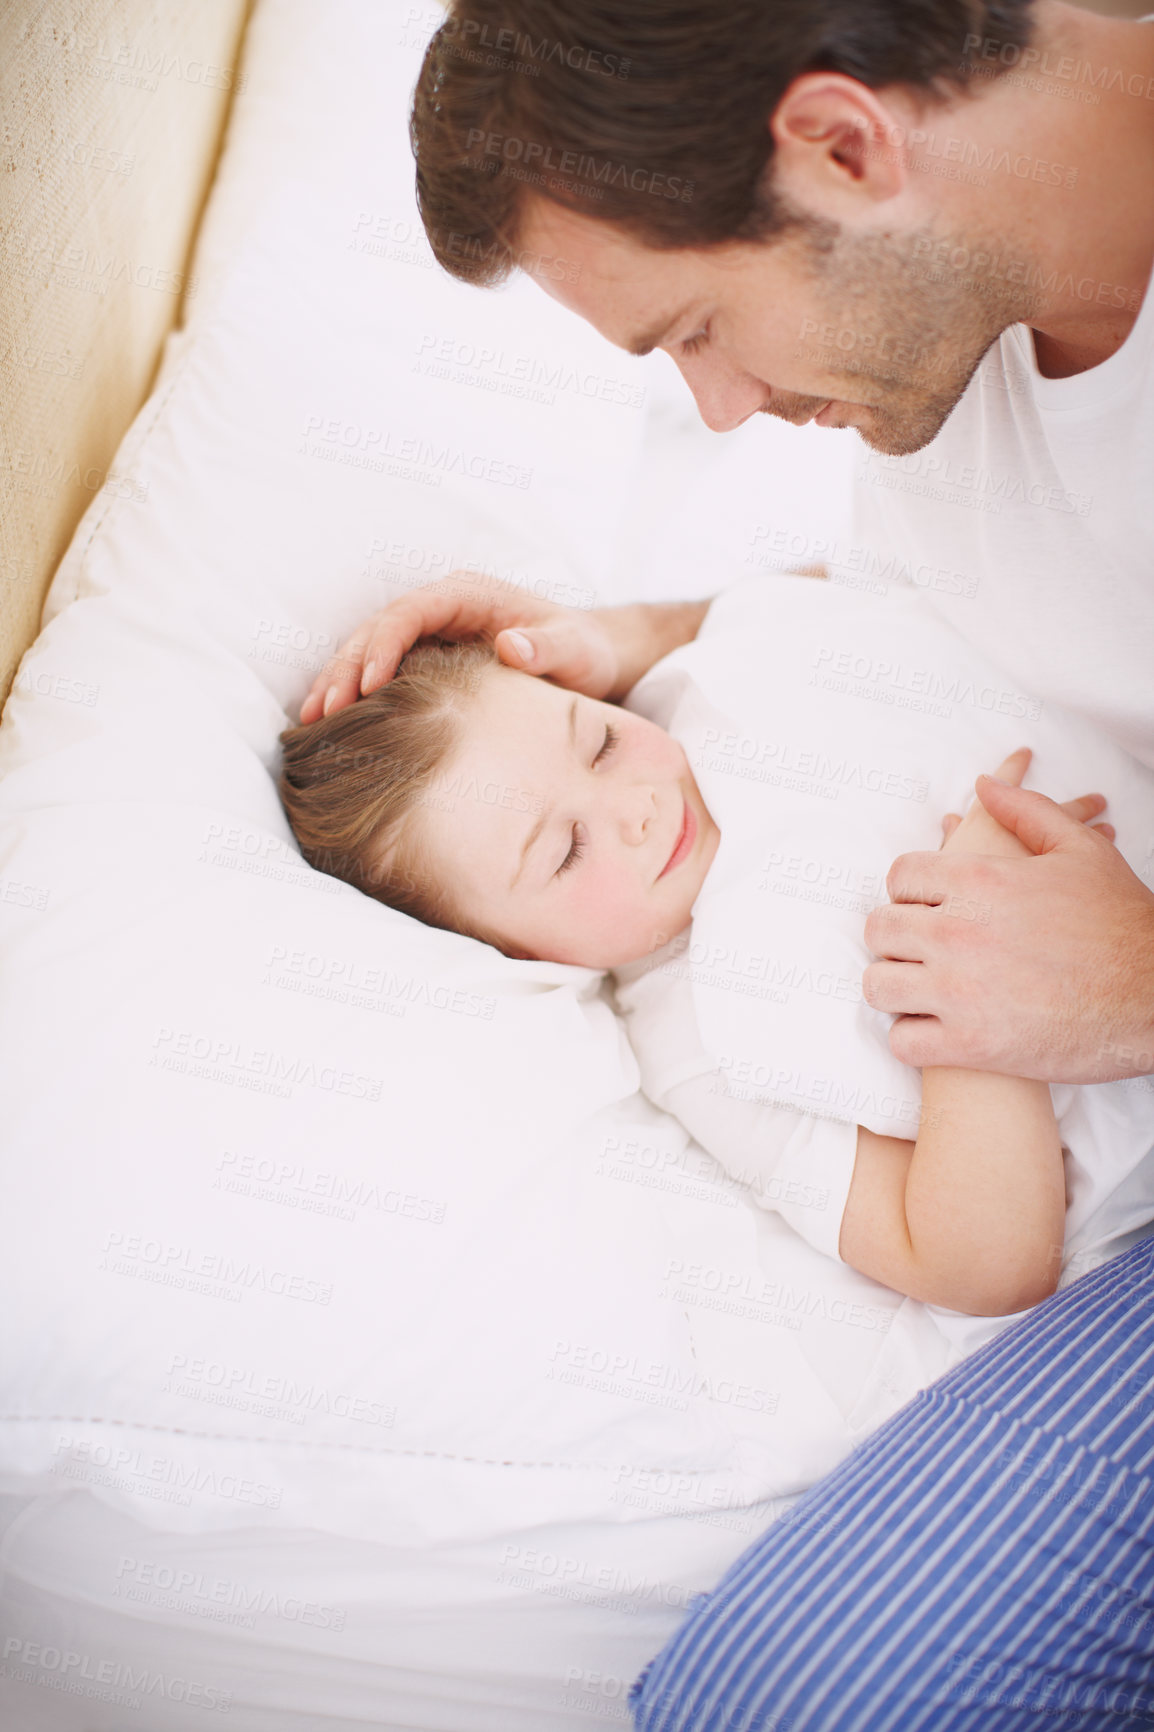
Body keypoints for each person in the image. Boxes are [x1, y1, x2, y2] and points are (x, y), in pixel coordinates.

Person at [300, 0, 1154, 1091]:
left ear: (844, 148)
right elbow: (935, 586)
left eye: (695, 326)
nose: (717, 406)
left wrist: (1132, 978)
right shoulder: (947, 344)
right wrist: (624, 645)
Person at [279, 634, 1128, 1320]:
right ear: (521, 955)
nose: (635, 805)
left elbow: (848, 597)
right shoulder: (701, 1043)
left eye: (601, 740)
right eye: (567, 850)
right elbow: (978, 1264)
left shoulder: (708, 690)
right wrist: (966, 957)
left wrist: (625, 638)